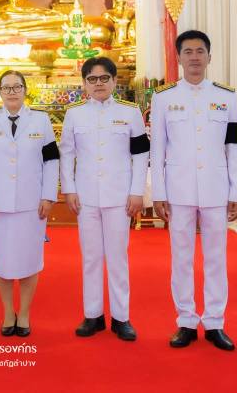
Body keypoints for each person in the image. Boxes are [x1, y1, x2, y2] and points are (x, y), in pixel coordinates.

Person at [150, 30, 237, 351]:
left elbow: (235, 148)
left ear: (209, 57)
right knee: (182, 258)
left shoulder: (228, 97)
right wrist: (158, 193)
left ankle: (215, 321)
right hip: (178, 191)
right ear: (178, 57)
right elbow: (158, 149)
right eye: (187, 52)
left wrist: (236, 192)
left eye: (200, 51)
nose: (194, 57)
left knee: (216, 258)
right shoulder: (164, 98)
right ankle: (186, 320)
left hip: (217, 189)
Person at [60, 57, 148, 341]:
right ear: (84, 83)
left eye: (104, 78)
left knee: (118, 257)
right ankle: (93, 315)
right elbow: (67, 154)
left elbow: (140, 154)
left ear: (113, 81)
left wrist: (137, 191)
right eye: (92, 79)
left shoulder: (130, 112)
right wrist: (69, 189)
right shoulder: (74, 114)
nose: (98, 84)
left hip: (119, 196)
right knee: (91, 257)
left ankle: (121, 317)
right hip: (86, 197)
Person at [0, 70, 59, 337]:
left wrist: (48, 195)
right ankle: (7, 311)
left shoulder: (41, 121)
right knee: (1, 260)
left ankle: (24, 313)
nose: (12, 92)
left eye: (17, 86)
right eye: (6, 87)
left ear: (25, 90)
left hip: (31, 203)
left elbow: (51, 160)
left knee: (29, 259)